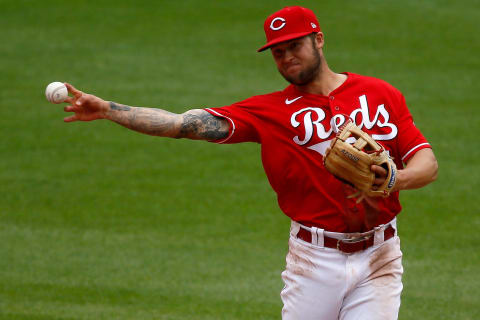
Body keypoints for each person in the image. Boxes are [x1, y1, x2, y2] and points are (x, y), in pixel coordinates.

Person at [62, 6, 438, 320]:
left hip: (380, 256)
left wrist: (396, 179)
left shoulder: (380, 94)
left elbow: (427, 162)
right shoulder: (268, 111)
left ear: (318, 40)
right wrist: (109, 110)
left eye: (295, 46)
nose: (287, 56)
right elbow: (181, 124)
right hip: (315, 261)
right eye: (278, 51)